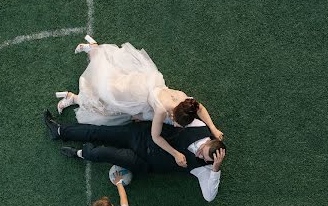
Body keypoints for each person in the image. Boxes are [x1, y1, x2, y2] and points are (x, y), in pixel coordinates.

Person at [55, 36, 223, 168]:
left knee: (111, 87)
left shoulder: (185, 100)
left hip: (146, 84)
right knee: (106, 100)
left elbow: (199, 108)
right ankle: (90, 60)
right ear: (173, 115)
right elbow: (155, 137)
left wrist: (213, 128)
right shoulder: (161, 111)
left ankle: (80, 86)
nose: (179, 127)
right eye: (179, 124)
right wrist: (175, 153)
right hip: (132, 95)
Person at [44, 110, 226, 203]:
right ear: (209, 140)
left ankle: (81, 153)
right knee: (99, 132)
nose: (199, 155)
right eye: (203, 150)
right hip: (140, 134)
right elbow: (171, 116)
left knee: (102, 153)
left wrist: (215, 169)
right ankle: (59, 131)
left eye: (205, 159)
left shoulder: (205, 168)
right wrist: (145, 116)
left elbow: (209, 196)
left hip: (142, 161)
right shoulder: (199, 126)